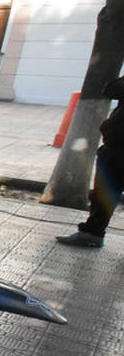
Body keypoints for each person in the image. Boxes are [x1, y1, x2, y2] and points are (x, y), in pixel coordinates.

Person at [56, 76, 124, 247]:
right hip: (115, 148)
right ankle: (92, 233)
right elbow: (110, 89)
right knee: (103, 194)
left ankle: (92, 233)